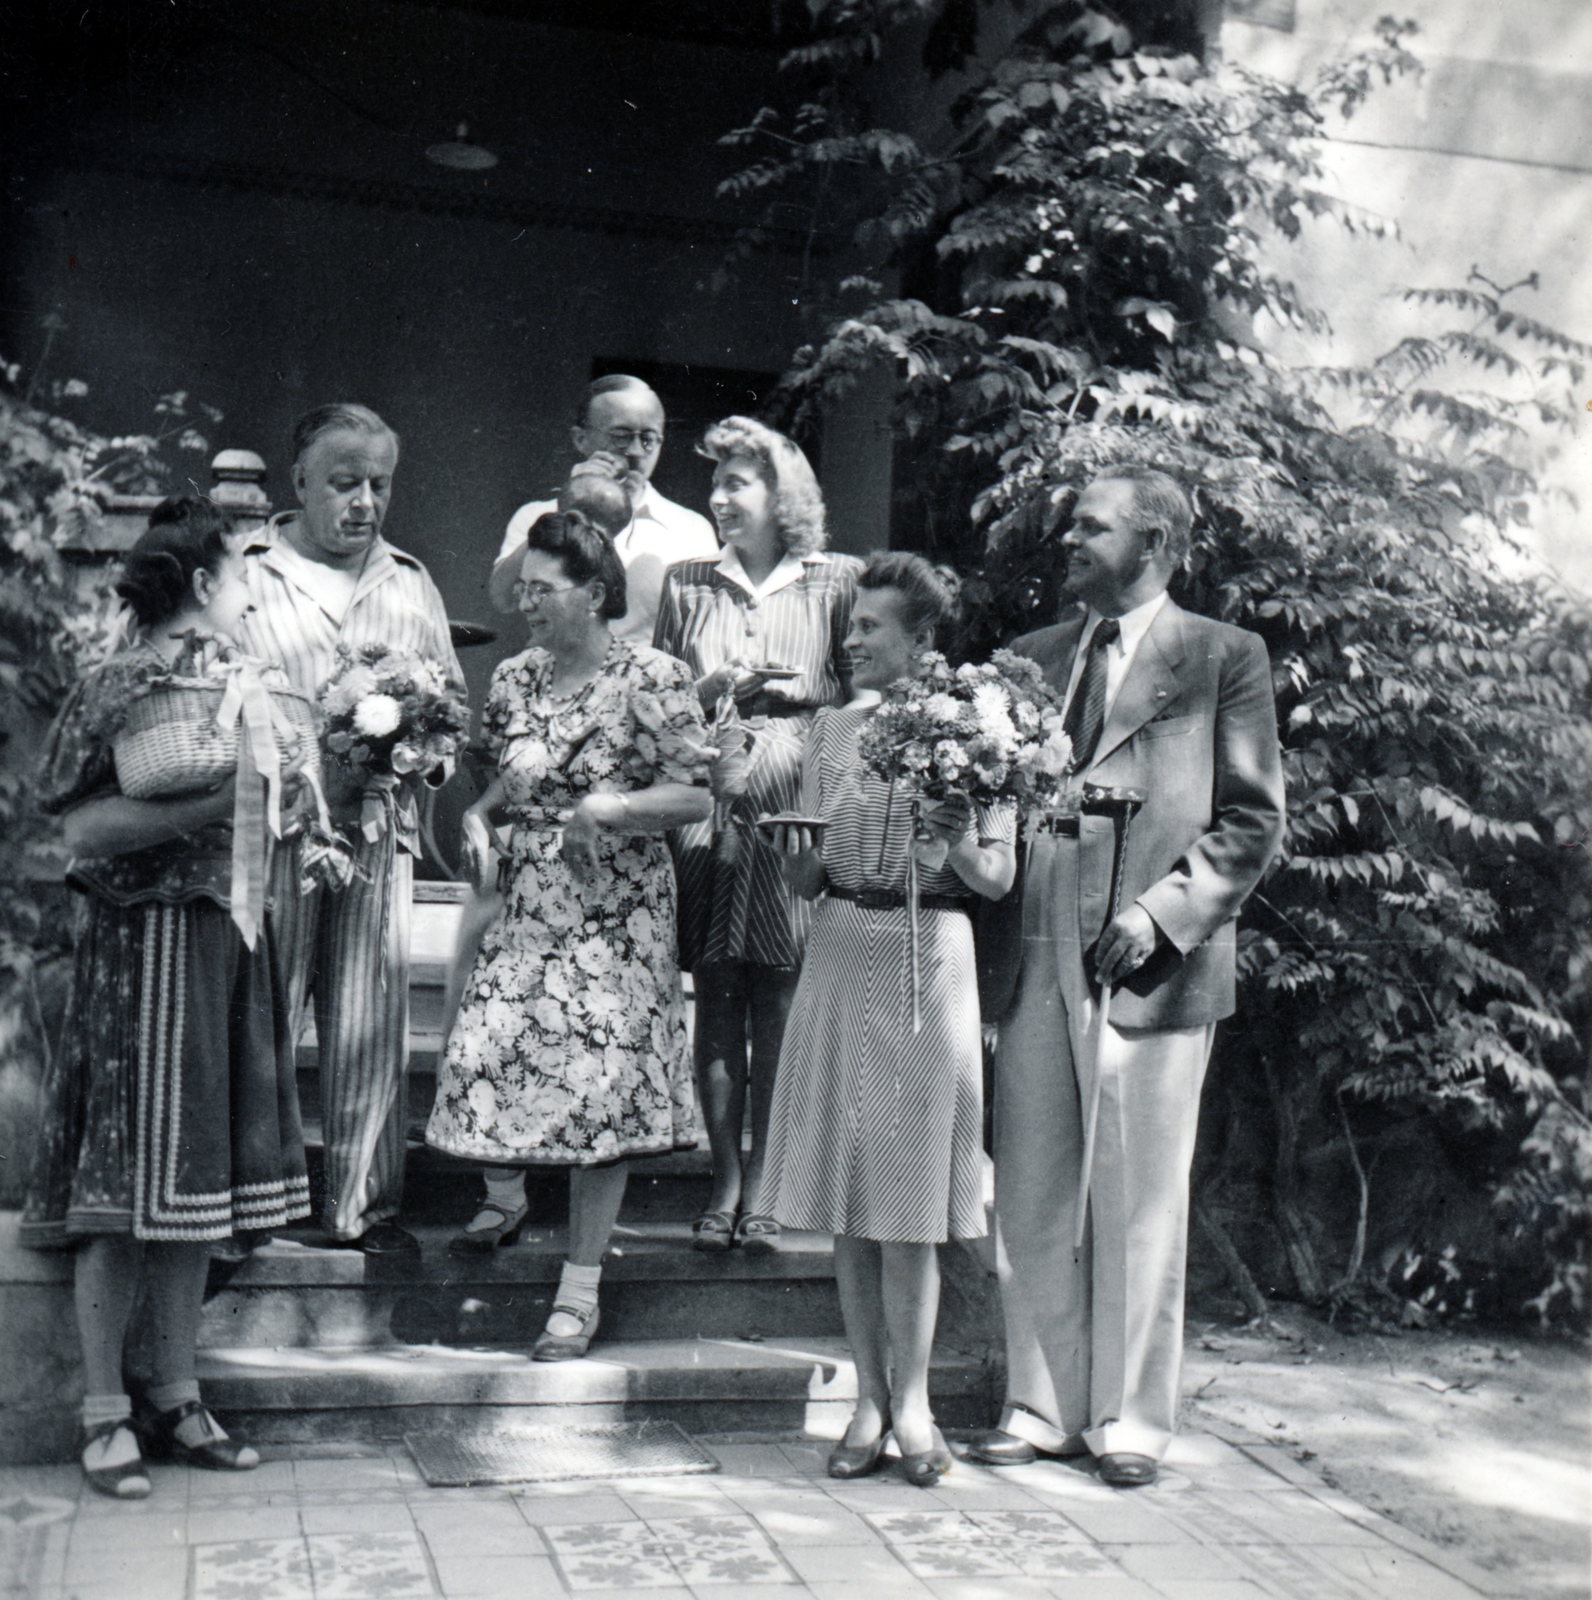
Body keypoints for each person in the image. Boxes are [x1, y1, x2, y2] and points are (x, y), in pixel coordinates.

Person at [968, 467, 1285, 1487]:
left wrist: (1160, 913)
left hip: (1145, 960)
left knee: (1139, 1191)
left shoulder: (1221, 657)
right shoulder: (1027, 660)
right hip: (1032, 942)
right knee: (1033, 1182)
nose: (1065, 535)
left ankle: (1130, 1420)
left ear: (1152, 540)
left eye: (1088, 525)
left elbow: (1250, 816)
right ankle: (1039, 1401)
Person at [22, 497, 311, 1497]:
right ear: (200, 585)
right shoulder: (119, 683)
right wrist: (219, 797)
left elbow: (274, 813)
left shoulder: (250, 684)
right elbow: (82, 834)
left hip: (226, 943)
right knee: (124, 1181)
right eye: (244, 575)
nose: (254, 594)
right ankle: (105, 1407)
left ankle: (175, 1390)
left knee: (197, 1189)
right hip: (142, 947)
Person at [425, 513, 714, 1358]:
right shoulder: (514, 678)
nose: (526, 606)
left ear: (595, 594)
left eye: (542, 591)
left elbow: (694, 797)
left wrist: (610, 805)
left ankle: (579, 1291)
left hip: (617, 909)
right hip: (527, 899)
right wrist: (480, 819)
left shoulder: (655, 676)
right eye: (521, 592)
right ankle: (505, 1199)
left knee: (600, 1092)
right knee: (490, 1053)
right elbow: (505, 783)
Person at [757, 553, 1016, 1488]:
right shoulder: (828, 731)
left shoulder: (977, 728)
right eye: (851, 624)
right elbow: (812, 869)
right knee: (850, 1203)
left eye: (871, 626)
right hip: (838, 947)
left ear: (921, 639)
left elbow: (997, 877)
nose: (852, 639)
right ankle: (868, 1399)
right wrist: (797, 857)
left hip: (925, 954)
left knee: (907, 1205)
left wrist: (949, 834)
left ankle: (916, 1407)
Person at [236, 404, 466, 1254]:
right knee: (264, 1013)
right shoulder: (247, 571)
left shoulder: (409, 581)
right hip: (279, 829)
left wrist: (416, 749)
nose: (365, 502)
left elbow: (448, 709)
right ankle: (257, 1203)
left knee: (369, 1021)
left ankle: (360, 1208)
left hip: (377, 831)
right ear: (298, 483)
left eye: (380, 484)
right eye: (345, 483)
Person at [652, 418, 861, 1254]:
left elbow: (858, 700)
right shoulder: (687, 582)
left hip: (796, 800)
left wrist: (836, 800)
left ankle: (770, 1178)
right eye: (717, 484)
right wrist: (709, 688)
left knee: (780, 988)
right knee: (718, 986)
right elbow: (661, 704)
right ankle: (723, 1180)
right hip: (711, 796)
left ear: (785, 495)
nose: (720, 498)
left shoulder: (835, 580)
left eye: (740, 483)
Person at [488, 374, 718, 640]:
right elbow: (503, 599)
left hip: (645, 677)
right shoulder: (537, 516)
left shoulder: (690, 529)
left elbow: (704, 626)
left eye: (648, 438)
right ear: (580, 439)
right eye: (620, 436)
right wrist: (569, 507)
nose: (635, 451)